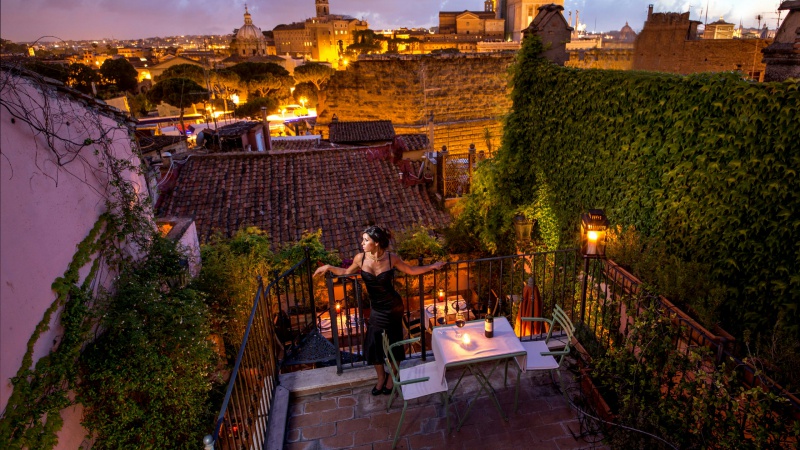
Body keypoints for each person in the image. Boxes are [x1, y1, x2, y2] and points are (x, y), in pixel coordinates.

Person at [314, 226, 446, 396]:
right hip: (377, 309)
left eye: (365, 240)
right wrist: (330, 267)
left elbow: (411, 270)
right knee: (373, 344)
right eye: (362, 240)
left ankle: (392, 377)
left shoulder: (392, 259)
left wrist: (432, 266)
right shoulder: (360, 259)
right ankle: (381, 377)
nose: (362, 243)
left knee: (394, 343)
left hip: (393, 307)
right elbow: (346, 273)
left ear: (376, 243)